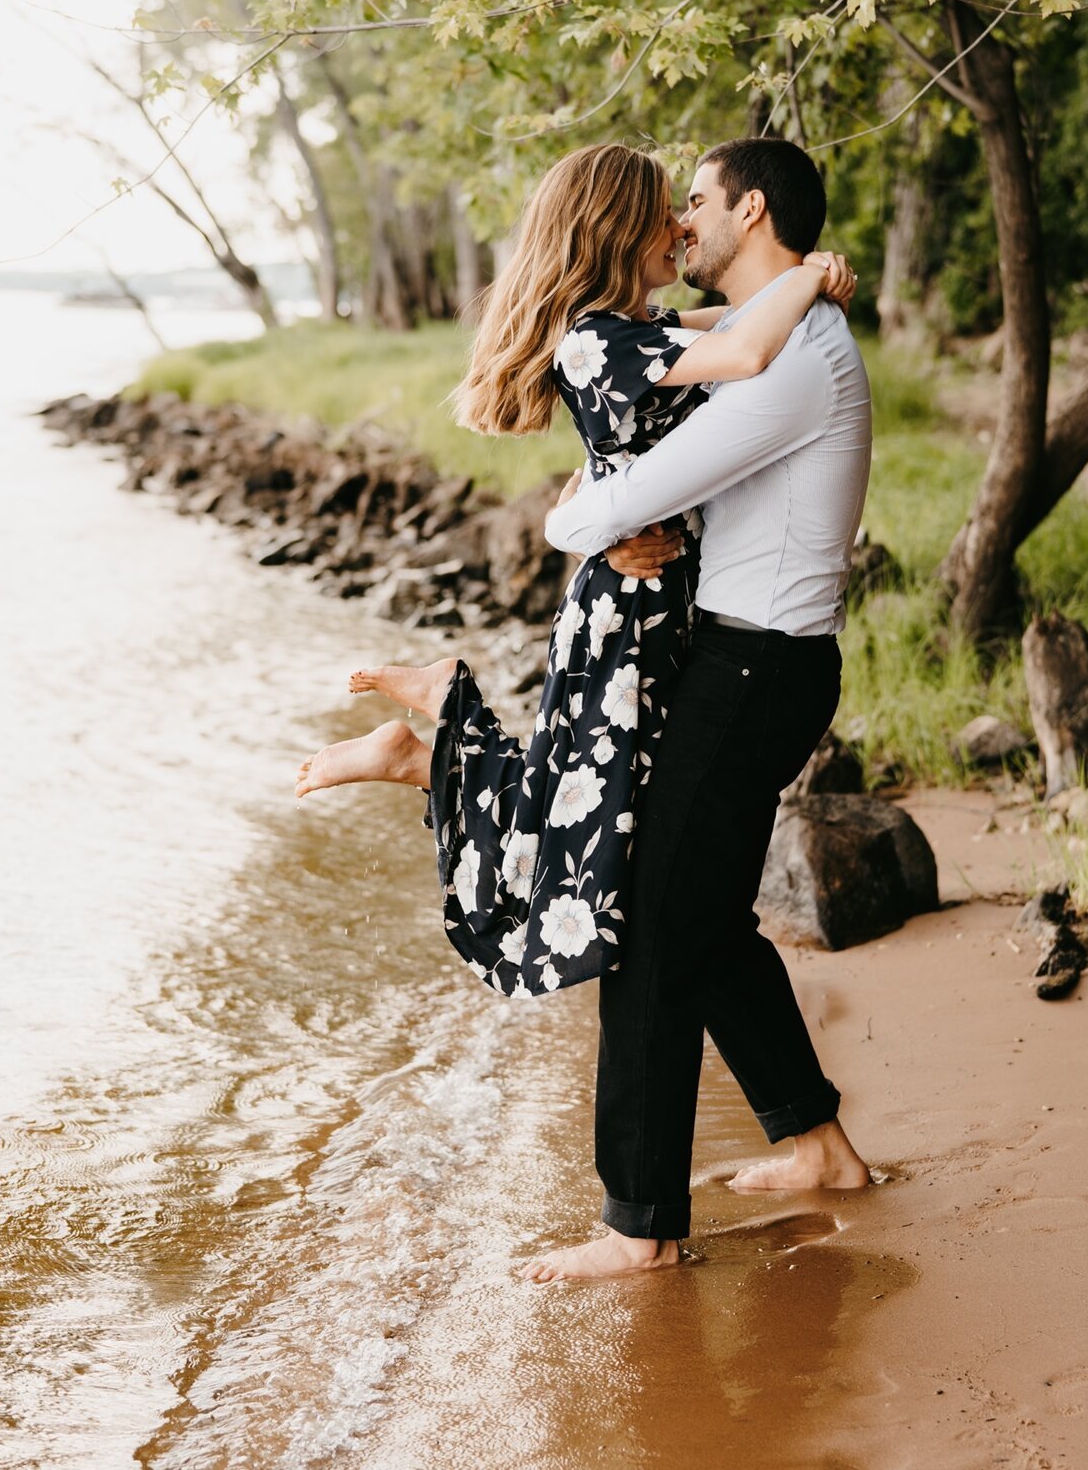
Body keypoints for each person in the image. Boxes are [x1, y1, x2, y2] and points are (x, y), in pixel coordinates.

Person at [295, 143, 853, 1011]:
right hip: (627, 607)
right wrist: (810, 279)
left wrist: (802, 279)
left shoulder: (635, 333)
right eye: (667, 210)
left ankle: (434, 740)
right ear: (620, 230)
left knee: (590, 798)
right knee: (586, 808)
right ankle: (433, 743)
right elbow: (743, 356)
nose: (679, 223)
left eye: (690, 203)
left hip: (664, 596)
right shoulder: (595, 342)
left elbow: (724, 335)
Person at [521, 136, 876, 1281]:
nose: (683, 220)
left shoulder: (789, 361)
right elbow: (623, 475)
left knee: (649, 934)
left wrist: (576, 521)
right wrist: (588, 510)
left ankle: (638, 1226)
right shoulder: (772, 339)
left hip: (751, 671)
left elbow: (619, 499)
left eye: (700, 201)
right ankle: (815, 1143)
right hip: (747, 661)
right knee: (707, 918)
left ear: (749, 210)